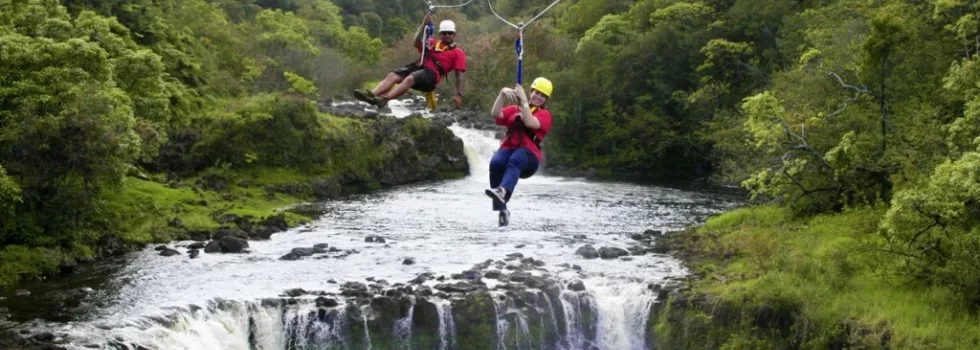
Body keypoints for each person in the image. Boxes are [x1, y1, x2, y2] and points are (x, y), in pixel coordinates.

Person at [353, 13, 467, 110]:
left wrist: (459, 94)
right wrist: (424, 24)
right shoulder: (432, 43)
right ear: (440, 34)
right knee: (393, 75)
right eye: (444, 33)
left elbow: (459, 76)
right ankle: (372, 95)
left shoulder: (458, 53)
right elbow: (417, 42)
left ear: (454, 35)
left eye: (450, 33)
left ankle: (384, 99)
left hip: (431, 77)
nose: (447, 35)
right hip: (419, 69)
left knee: (411, 78)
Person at [485, 77, 554, 228]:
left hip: (529, 157)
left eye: (542, 96)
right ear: (531, 92)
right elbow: (495, 114)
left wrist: (523, 100)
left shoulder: (545, 115)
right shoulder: (514, 109)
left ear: (545, 100)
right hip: (508, 148)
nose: (538, 97)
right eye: (536, 93)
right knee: (496, 163)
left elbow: (530, 122)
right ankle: (503, 209)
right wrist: (502, 94)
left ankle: (502, 191)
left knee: (515, 160)